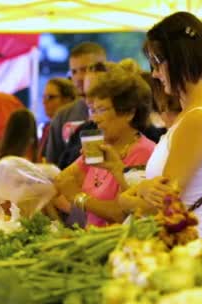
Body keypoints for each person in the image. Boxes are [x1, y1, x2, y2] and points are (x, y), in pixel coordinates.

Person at [121, 11, 202, 248]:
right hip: (183, 249)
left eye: (156, 62)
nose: (154, 73)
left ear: (177, 59)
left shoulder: (197, 120)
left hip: (180, 251)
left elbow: (164, 203)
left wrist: (127, 198)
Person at [53, 64, 155, 227]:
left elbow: (121, 213)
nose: (95, 119)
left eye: (101, 110)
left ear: (129, 113)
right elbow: (62, 180)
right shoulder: (100, 147)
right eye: (93, 110)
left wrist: (79, 198)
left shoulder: (144, 153)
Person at [44, 42, 107, 165]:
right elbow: (52, 165)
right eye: (74, 72)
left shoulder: (118, 111)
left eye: (85, 69)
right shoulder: (62, 116)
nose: (78, 77)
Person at [39, 78, 76, 161]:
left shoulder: (72, 128)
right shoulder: (46, 127)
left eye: (50, 97)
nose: (44, 102)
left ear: (67, 99)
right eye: (44, 97)